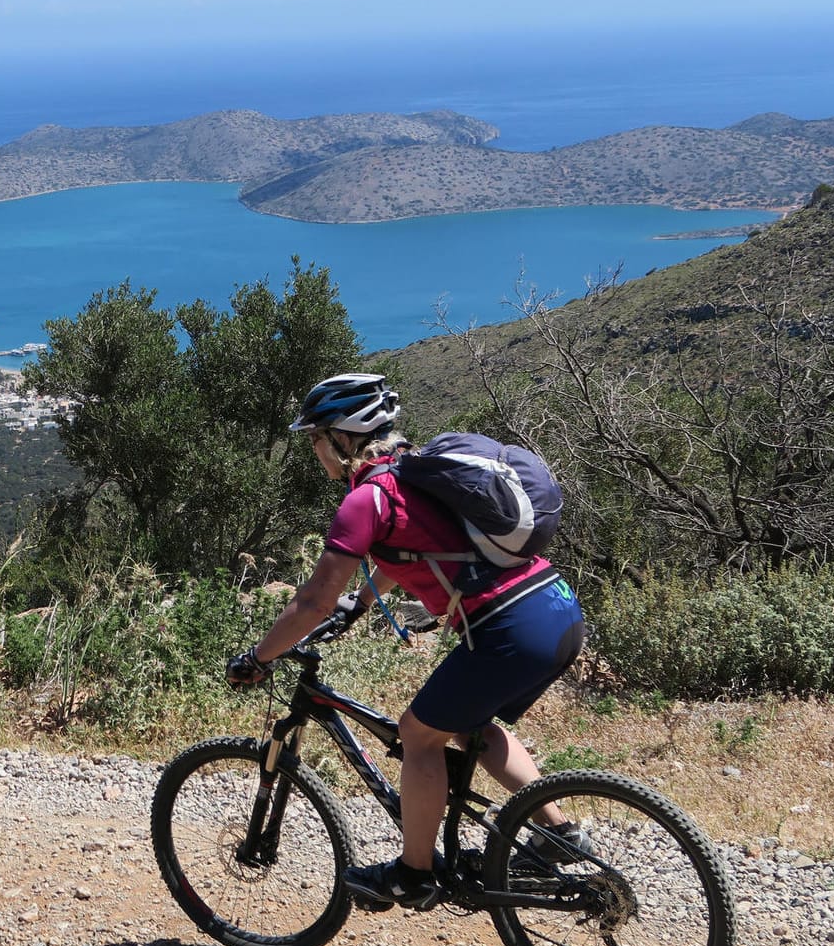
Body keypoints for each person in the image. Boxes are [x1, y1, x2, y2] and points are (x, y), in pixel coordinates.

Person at [226, 373, 588, 910]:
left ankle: (413, 875)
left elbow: (313, 601)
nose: (315, 453)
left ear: (341, 438)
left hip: (509, 626)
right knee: (468, 728)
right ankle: (559, 836)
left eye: (315, 440)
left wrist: (259, 656)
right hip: (556, 609)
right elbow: (418, 548)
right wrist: (364, 603)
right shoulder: (416, 471)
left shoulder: (365, 499)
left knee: (419, 734)